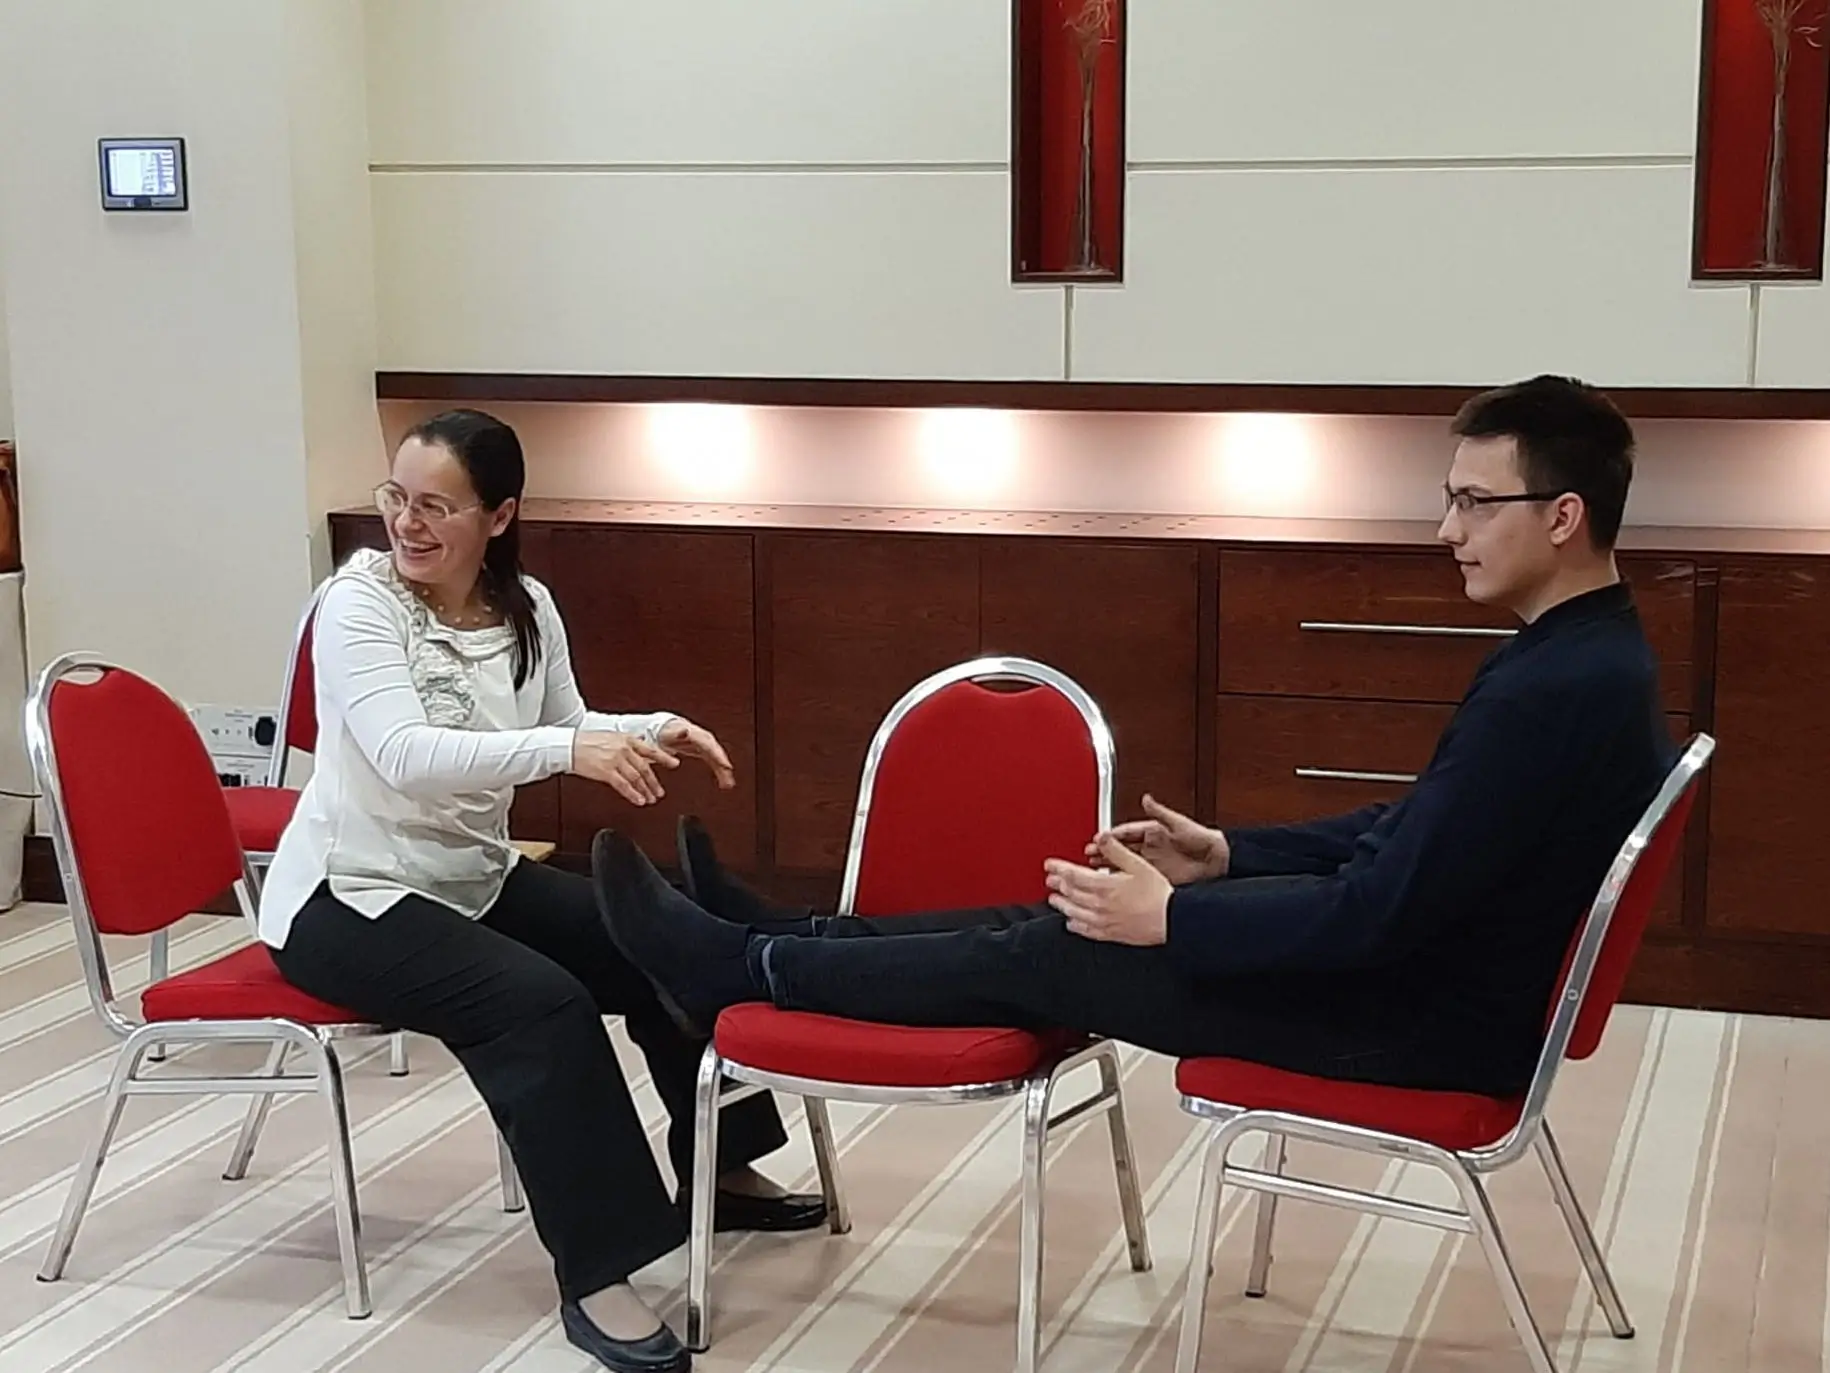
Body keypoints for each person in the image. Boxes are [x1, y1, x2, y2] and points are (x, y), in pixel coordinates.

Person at [589, 375, 1676, 1103]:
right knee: (1061, 917)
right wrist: (1230, 855)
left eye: (1475, 502)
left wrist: (1176, 920)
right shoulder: (1585, 656)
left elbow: (1384, 905)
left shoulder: (1553, 686)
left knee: (1058, 946)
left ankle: (743, 964)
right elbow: (1416, 832)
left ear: (1563, 514)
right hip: (1423, 985)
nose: (1447, 529)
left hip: (1419, 1024)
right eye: (1450, 499)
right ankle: (784, 936)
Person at [258, 409, 823, 1373]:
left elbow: (569, 719)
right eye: (398, 497)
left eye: (436, 506)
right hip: (348, 897)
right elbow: (404, 753)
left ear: (500, 515)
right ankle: (599, 1269)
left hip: (470, 875)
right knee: (540, 1003)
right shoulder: (357, 605)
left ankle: (721, 1168)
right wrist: (568, 751)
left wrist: (650, 726)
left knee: (666, 940)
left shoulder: (525, 605)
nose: (406, 523)